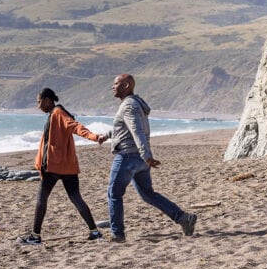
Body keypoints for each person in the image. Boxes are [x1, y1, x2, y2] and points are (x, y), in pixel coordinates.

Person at [105, 73, 197, 242]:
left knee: (113, 194)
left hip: (128, 156)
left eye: (116, 83)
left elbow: (137, 131)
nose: (113, 86)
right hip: (139, 158)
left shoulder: (129, 106)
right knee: (148, 194)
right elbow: (126, 128)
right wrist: (106, 135)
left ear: (126, 86)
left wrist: (146, 155)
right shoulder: (135, 104)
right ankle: (184, 218)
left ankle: (117, 235)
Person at [17, 87, 107, 245]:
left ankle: (35, 236)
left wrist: (94, 137)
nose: (38, 106)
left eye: (39, 102)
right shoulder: (56, 113)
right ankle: (94, 232)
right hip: (67, 166)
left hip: (54, 166)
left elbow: (75, 126)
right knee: (76, 198)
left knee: (41, 199)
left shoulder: (58, 113)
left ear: (47, 100)